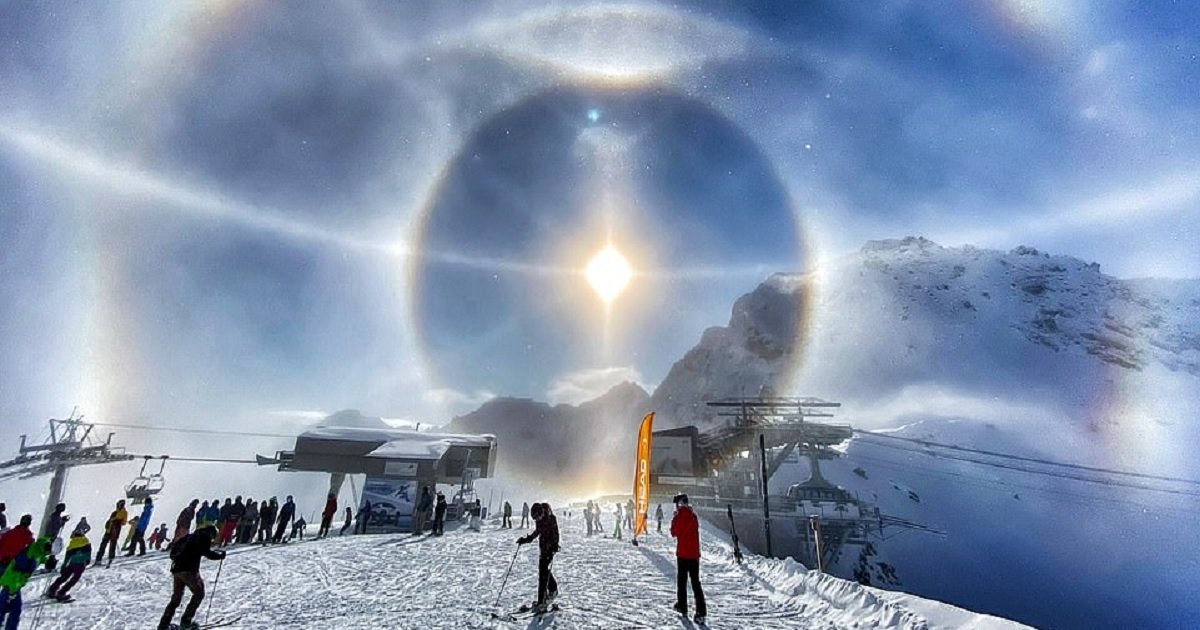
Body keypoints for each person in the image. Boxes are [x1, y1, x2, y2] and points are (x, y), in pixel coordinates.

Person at [157, 525, 226, 630]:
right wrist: (219, 556)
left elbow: (172, 553)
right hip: (189, 570)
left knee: (176, 598)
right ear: (211, 533)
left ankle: (163, 624)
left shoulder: (189, 536)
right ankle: (186, 622)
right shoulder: (205, 536)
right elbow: (206, 552)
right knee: (199, 593)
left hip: (177, 569)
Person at [516, 502, 560, 613]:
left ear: (542, 512)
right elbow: (537, 532)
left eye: (538, 517)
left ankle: (542, 602)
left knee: (543, 575)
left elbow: (556, 533)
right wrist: (527, 539)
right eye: (535, 519)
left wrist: (554, 545)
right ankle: (553, 589)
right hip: (543, 548)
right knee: (544, 571)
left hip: (550, 549)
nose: (537, 520)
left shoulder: (551, 518)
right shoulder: (539, 520)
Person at [670, 493, 706, 624]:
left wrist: (674, 519)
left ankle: (682, 606)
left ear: (679, 504)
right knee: (696, 583)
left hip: (683, 555)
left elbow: (674, 532)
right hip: (694, 555)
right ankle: (701, 612)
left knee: (682, 582)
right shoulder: (693, 515)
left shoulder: (679, 516)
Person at [0, 536, 49, 628]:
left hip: (15, 584)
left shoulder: (38, 550)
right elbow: (14, 573)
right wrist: (12, 591)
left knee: (12, 609)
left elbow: (39, 558)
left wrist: (48, 561)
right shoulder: (28, 556)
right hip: (11, 584)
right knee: (9, 608)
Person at [46, 521, 92, 602]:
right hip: (81, 564)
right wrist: (87, 561)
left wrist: (64, 566)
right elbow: (88, 554)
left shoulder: (72, 544)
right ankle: (61, 592)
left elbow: (67, 557)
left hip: (72, 563)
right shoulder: (86, 542)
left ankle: (52, 590)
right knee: (74, 579)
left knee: (64, 577)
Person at [94, 500, 128, 567]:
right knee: (103, 544)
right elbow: (110, 520)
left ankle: (111, 559)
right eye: (118, 504)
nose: (119, 506)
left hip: (115, 531)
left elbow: (124, 522)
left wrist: (118, 521)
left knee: (112, 545)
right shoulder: (114, 512)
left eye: (120, 504)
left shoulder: (124, 512)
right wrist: (108, 524)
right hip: (109, 530)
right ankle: (98, 559)